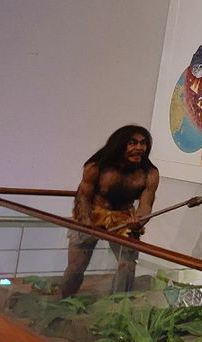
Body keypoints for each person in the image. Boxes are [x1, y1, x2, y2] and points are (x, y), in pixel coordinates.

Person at [60, 125, 159, 297]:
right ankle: (65, 299)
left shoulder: (150, 173)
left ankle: (117, 304)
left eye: (143, 143)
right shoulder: (96, 167)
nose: (139, 148)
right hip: (92, 214)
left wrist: (138, 221)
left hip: (124, 218)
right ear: (120, 145)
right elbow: (83, 197)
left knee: (127, 265)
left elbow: (146, 205)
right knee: (76, 266)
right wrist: (86, 222)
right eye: (132, 143)